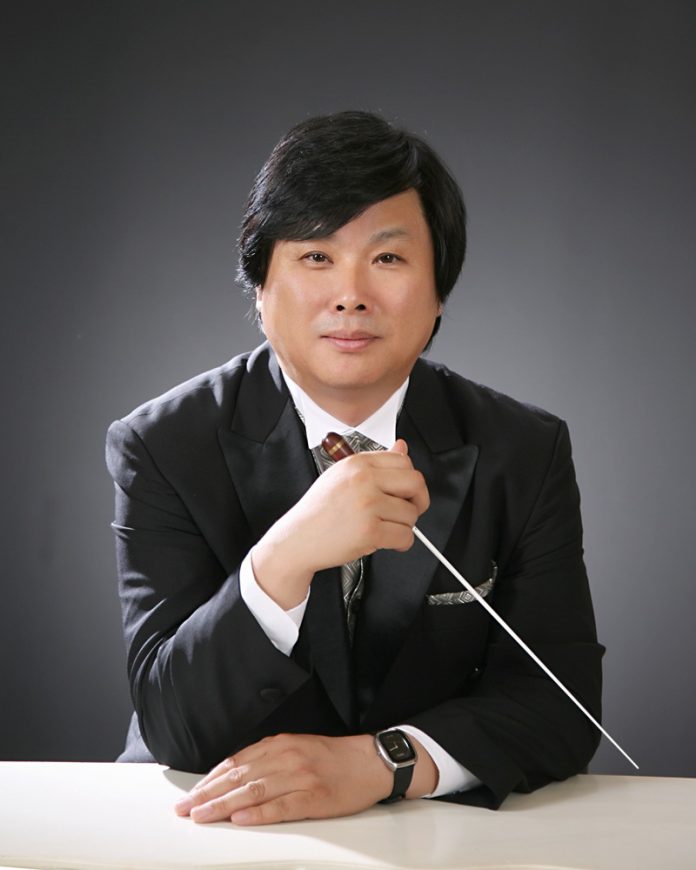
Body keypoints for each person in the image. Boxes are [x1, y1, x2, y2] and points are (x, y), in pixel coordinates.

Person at [106, 110, 603, 826]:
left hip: (441, 838)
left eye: (388, 259)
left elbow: (562, 705)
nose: (350, 295)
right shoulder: (162, 444)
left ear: (438, 293)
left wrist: (384, 762)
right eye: (316, 257)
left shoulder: (523, 449)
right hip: (208, 827)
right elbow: (171, 724)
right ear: (259, 285)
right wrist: (285, 556)